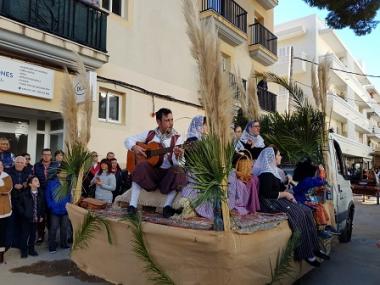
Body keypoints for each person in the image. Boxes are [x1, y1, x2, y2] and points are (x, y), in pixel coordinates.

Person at [253, 146, 329, 267]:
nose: (280, 157)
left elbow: (279, 188)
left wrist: (287, 185)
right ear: (272, 157)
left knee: (307, 211)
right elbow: (267, 194)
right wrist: (286, 194)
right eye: (278, 155)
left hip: (278, 200)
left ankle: (314, 247)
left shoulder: (273, 171)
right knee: (298, 214)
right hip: (270, 203)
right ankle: (306, 253)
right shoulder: (266, 173)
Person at [124, 108, 186, 217]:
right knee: (141, 166)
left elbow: (178, 164)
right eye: (167, 120)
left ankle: (167, 206)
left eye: (172, 120)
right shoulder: (150, 135)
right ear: (158, 122)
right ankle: (132, 205)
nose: (171, 123)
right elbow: (128, 140)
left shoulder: (178, 139)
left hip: (166, 175)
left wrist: (177, 155)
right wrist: (134, 147)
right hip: (151, 173)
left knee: (179, 171)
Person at [33, 148, 59, 243]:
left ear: (51, 156)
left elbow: (60, 178)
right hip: (40, 193)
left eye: (48, 154)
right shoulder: (37, 166)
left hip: (52, 193)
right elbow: (33, 178)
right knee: (41, 214)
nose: (46, 156)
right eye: (44, 154)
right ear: (41, 156)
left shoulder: (56, 165)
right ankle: (40, 234)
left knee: (51, 214)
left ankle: (51, 236)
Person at [18, 176, 45, 258]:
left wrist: (41, 215)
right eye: (35, 180)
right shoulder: (24, 194)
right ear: (30, 184)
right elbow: (19, 205)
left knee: (33, 234)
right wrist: (24, 213)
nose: (38, 181)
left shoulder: (40, 193)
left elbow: (43, 206)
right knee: (25, 235)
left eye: (38, 180)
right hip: (26, 218)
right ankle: (24, 250)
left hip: (36, 218)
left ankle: (31, 250)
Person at [45, 169, 71, 253]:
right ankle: (52, 246)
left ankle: (64, 244)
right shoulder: (51, 183)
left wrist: (69, 205)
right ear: (58, 174)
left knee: (64, 228)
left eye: (66, 173)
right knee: (53, 228)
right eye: (63, 173)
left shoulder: (67, 184)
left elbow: (69, 196)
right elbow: (47, 196)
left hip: (65, 209)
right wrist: (51, 206)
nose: (65, 174)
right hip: (54, 210)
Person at [7, 156, 29, 249]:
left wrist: (24, 185)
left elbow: (31, 183)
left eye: (21, 162)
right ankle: (10, 243)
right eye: (18, 162)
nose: (19, 164)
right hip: (11, 200)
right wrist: (13, 185)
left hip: (23, 201)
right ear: (14, 162)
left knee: (22, 222)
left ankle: (20, 243)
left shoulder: (28, 172)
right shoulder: (8, 171)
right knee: (11, 222)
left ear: (25, 164)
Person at [0, 161, 12, 264]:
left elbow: (7, 189)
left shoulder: (7, 176)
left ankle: (1, 256)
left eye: (0, 165)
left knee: (2, 234)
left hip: (4, 211)